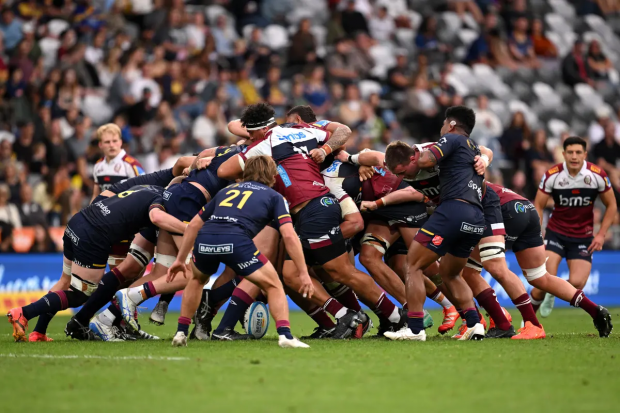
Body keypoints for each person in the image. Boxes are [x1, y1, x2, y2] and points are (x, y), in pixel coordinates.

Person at [220, 103, 403, 337]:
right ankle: (346, 316)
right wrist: (326, 149)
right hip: (312, 209)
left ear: (258, 130)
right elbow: (343, 135)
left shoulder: (265, 144)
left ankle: (396, 316)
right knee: (292, 274)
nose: (248, 137)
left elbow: (223, 171)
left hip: (317, 208)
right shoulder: (305, 131)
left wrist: (246, 150)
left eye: (251, 133)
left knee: (340, 272)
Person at [7, 185, 187, 342]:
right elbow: (156, 217)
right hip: (93, 235)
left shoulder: (145, 187)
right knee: (81, 295)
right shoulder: (162, 199)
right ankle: (24, 312)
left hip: (78, 221)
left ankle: (39, 332)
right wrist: (189, 229)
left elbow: (109, 196)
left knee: (65, 281)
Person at [167, 156, 312, 348]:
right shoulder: (275, 197)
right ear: (273, 175)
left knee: (196, 280)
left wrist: (180, 259)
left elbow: (194, 225)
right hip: (235, 240)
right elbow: (289, 235)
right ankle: (285, 335)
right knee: (273, 284)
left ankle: (180, 332)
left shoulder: (226, 191)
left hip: (206, 239)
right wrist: (303, 272)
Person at [382, 106, 488, 341]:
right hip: (475, 216)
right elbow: (482, 170)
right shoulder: (472, 148)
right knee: (451, 275)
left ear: (451, 124)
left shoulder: (450, 138)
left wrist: (419, 153)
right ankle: (475, 324)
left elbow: (429, 159)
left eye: (443, 124)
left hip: (453, 210)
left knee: (411, 265)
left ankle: (416, 329)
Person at [531, 136, 615, 336]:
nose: (574, 156)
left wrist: (601, 234)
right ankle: (529, 324)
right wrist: (537, 233)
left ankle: (554, 293)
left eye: (578, 152)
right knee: (543, 281)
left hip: (583, 237)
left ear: (585, 154)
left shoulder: (597, 175)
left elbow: (611, 205)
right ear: (564, 154)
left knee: (577, 283)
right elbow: (539, 205)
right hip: (556, 234)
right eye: (570, 152)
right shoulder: (553, 175)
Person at [91, 123, 145, 202]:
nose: (112, 145)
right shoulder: (98, 165)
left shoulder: (132, 164)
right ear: (100, 145)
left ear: (120, 142)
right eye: (107, 142)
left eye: (115, 141)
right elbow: (95, 195)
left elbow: (144, 192)